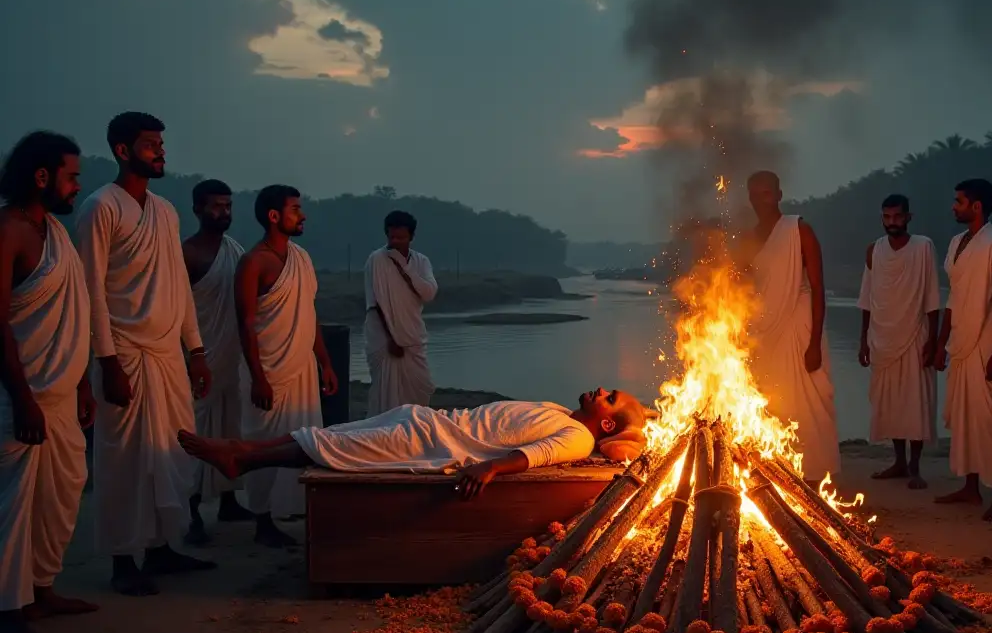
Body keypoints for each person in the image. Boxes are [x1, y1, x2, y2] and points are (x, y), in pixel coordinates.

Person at [75, 113, 214, 597]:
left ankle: (161, 547)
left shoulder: (166, 211)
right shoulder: (100, 207)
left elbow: (178, 285)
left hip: (167, 354)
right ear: (122, 150)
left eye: (161, 143)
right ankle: (121, 560)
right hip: (125, 352)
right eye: (151, 144)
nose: (160, 151)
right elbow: (91, 289)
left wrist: (195, 349)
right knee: (125, 459)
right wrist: (107, 361)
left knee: (171, 451)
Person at [178, 387, 647, 500]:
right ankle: (243, 449)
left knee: (335, 450)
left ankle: (242, 459)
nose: (598, 390)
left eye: (608, 397)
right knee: (334, 436)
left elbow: (534, 456)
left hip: (430, 445)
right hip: (426, 420)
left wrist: (489, 469)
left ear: (605, 426)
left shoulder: (577, 435)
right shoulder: (559, 410)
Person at [0, 132, 96, 633]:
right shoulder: (8, 231)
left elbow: (74, 311)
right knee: (12, 505)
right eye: (72, 176)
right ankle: (6, 609)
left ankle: (39, 590)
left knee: (59, 494)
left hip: (60, 395)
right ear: (42, 177)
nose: (77, 185)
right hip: (20, 396)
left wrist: (82, 381)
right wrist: (21, 398)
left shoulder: (57, 233)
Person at [235, 185, 337, 547]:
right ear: (274, 216)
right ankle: (262, 519)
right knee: (263, 442)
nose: (303, 215)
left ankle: (298, 511)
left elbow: (309, 315)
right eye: (296, 209)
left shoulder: (302, 259)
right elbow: (246, 323)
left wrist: (324, 362)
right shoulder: (253, 262)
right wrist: (258, 377)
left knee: (305, 438)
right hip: (268, 369)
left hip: (302, 366)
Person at [743, 171, 839, 485]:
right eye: (755, 194)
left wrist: (814, 343)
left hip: (800, 325)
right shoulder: (749, 237)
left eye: (767, 193)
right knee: (774, 400)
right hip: (765, 329)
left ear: (779, 194)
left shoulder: (799, 229)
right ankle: (782, 471)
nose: (761, 200)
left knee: (810, 400)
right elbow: (745, 291)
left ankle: (815, 477)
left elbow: (818, 287)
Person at [933, 179, 992, 520]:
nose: (954, 206)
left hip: (988, 336)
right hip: (961, 339)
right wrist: (941, 344)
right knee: (966, 417)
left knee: (990, 420)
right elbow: (953, 295)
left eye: (959, 201)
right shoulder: (956, 242)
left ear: (977, 206)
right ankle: (970, 487)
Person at [181, 179, 251, 545]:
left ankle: (229, 499)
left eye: (228, 206)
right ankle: (189, 509)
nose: (223, 213)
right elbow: (178, 309)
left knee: (231, 427)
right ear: (197, 209)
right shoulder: (188, 254)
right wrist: (192, 355)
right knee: (198, 430)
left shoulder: (234, 249)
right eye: (216, 206)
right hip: (201, 355)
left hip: (232, 354)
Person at [858, 194, 940, 489]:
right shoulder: (873, 251)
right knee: (891, 402)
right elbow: (866, 299)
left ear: (908, 217)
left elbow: (932, 297)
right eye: (887, 217)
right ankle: (899, 462)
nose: (892, 222)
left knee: (915, 402)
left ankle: (915, 467)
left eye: (897, 217)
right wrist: (863, 340)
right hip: (881, 337)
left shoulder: (923, 247)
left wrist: (933, 340)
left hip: (915, 334)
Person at [364, 210, 438, 416]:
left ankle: (414, 432)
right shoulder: (376, 260)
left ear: (411, 237)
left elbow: (429, 293)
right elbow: (376, 303)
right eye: (391, 237)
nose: (395, 242)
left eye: (401, 238)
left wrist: (405, 269)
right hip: (384, 337)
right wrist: (392, 339)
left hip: (413, 334)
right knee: (385, 394)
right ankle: (382, 436)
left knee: (422, 387)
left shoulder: (421, 261)